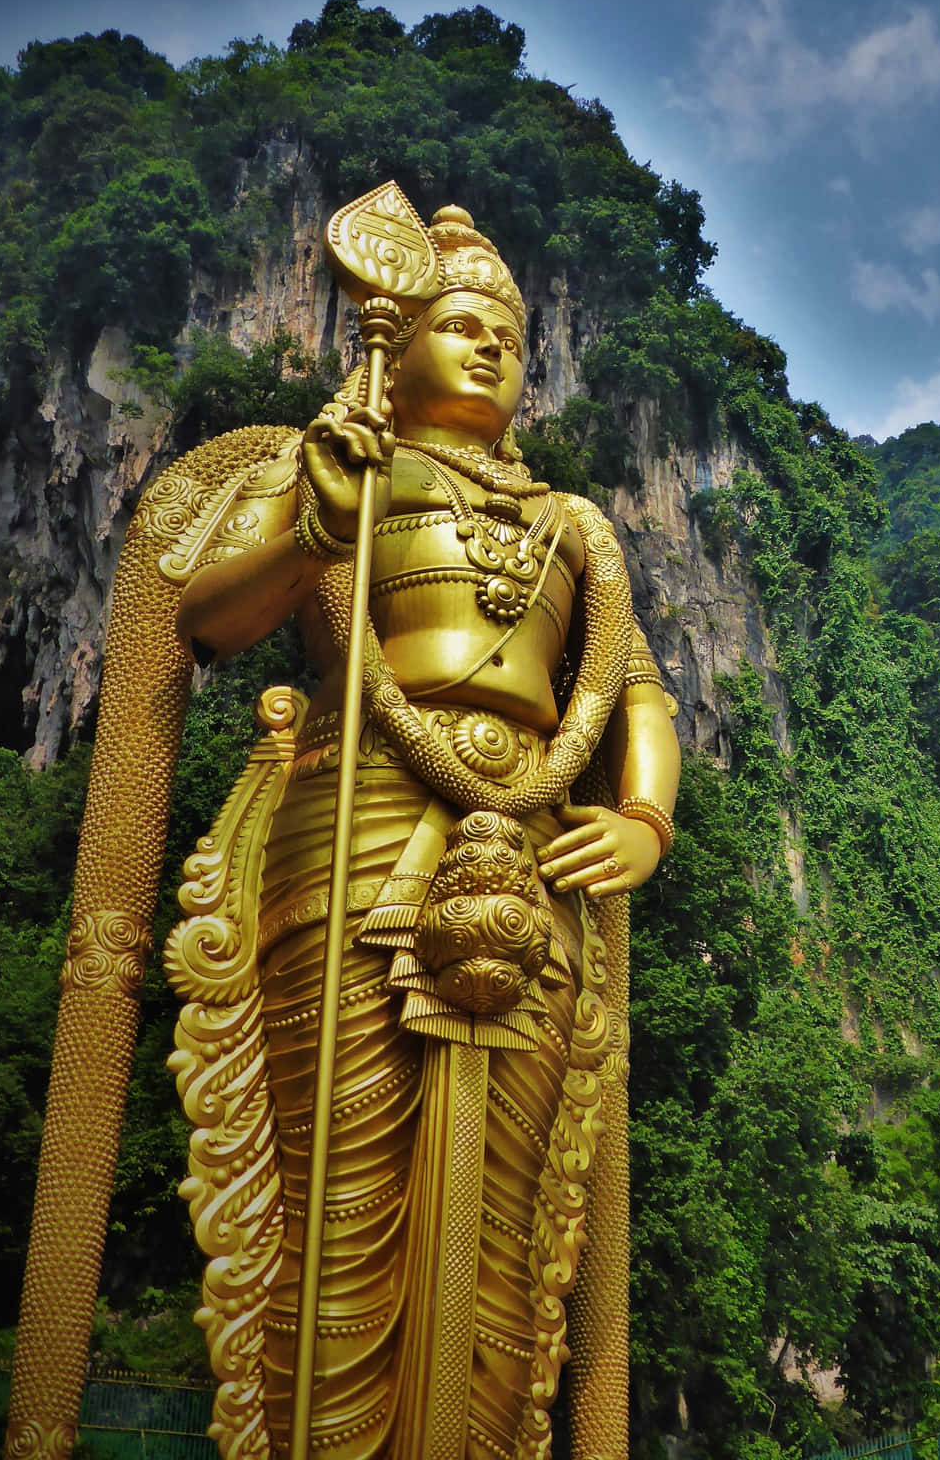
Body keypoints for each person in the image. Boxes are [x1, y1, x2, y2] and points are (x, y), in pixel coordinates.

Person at [167, 200, 681, 1460]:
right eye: (461, 324)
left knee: (510, 1231)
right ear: (394, 347)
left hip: (535, 855)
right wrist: (315, 522)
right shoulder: (348, 462)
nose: (493, 347)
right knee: (337, 1205)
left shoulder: (577, 525)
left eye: (510, 335)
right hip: (356, 819)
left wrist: (645, 821)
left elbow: (640, 698)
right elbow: (207, 619)